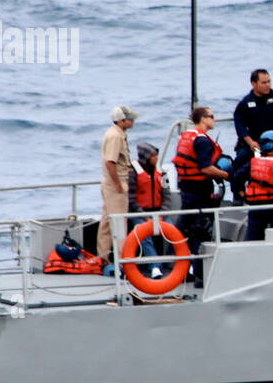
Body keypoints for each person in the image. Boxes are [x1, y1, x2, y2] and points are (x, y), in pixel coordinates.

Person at [173, 106, 229, 286]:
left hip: (186, 189)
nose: (214, 119)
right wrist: (227, 175)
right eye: (212, 116)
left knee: (184, 229)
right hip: (199, 190)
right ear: (203, 119)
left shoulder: (186, 136)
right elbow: (206, 168)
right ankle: (199, 275)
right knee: (201, 231)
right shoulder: (202, 140)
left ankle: (180, 270)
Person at [97, 104, 137, 260]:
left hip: (110, 183)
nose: (133, 121)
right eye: (129, 119)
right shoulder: (115, 136)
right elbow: (110, 162)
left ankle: (102, 257)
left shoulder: (116, 133)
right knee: (119, 222)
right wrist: (118, 185)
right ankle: (123, 260)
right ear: (121, 121)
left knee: (107, 222)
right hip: (116, 183)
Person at [127, 141, 170, 279]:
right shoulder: (133, 172)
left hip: (159, 212)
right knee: (144, 234)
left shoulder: (161, 172)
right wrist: (144, 216)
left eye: (156, 155)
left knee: (174, 231)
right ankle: (155, 266)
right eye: (153, 156)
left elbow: (167, 195)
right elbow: (131, 199)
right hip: (140, 213)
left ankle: (180, 264)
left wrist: (162, 213)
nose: (156, 158)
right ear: (146, 157)